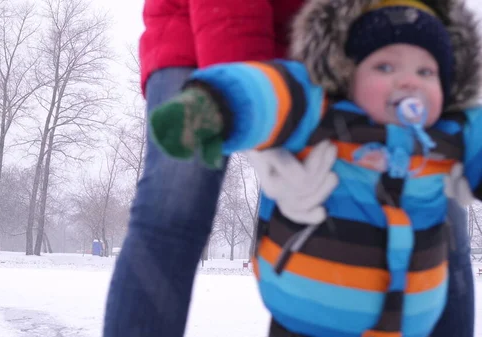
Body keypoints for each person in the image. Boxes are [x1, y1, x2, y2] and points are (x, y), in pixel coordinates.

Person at [148, 0, 480, 336]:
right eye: (385, 68)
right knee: (170, 212)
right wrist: (216, 106)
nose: (409, 82)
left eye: (426, 72)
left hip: (409, 323)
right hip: (305, 320)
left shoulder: (447, 138)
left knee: (453, 232)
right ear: (351, 76)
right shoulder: (322, 114)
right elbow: (266, 92)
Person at [102, 2, 307, 337]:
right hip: (197, 32)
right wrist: (245, 100)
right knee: (173, 207)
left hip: (315, 53)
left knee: (329, 224)